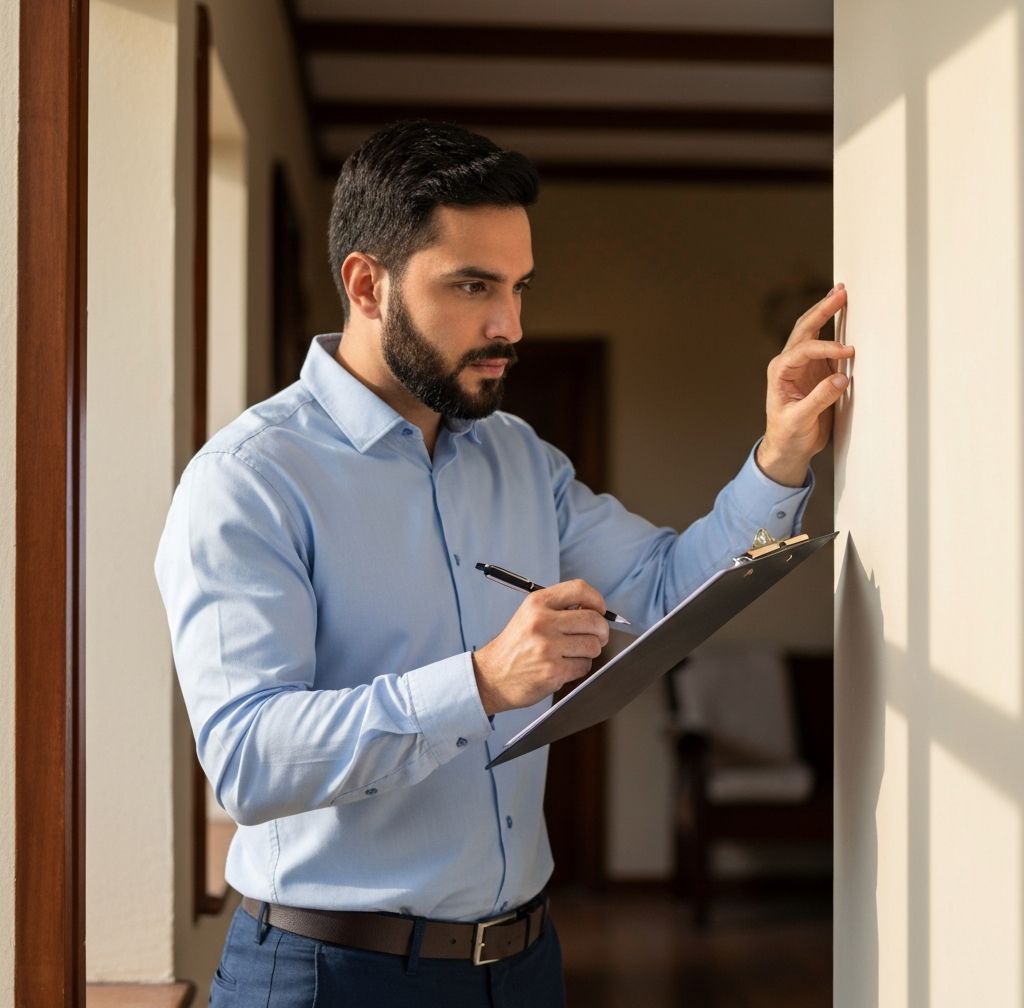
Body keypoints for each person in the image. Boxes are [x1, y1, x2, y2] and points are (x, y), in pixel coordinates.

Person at [155, 120, 851, 1007]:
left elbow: (669, 592)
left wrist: (782, 457)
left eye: (519, 287)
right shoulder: (248, 481)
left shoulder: (520, 456)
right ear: (367, 284)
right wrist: (482, 680)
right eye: (474, 285)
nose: (510, 325)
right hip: (328, 977)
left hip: (524, 967)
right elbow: (247, 761)